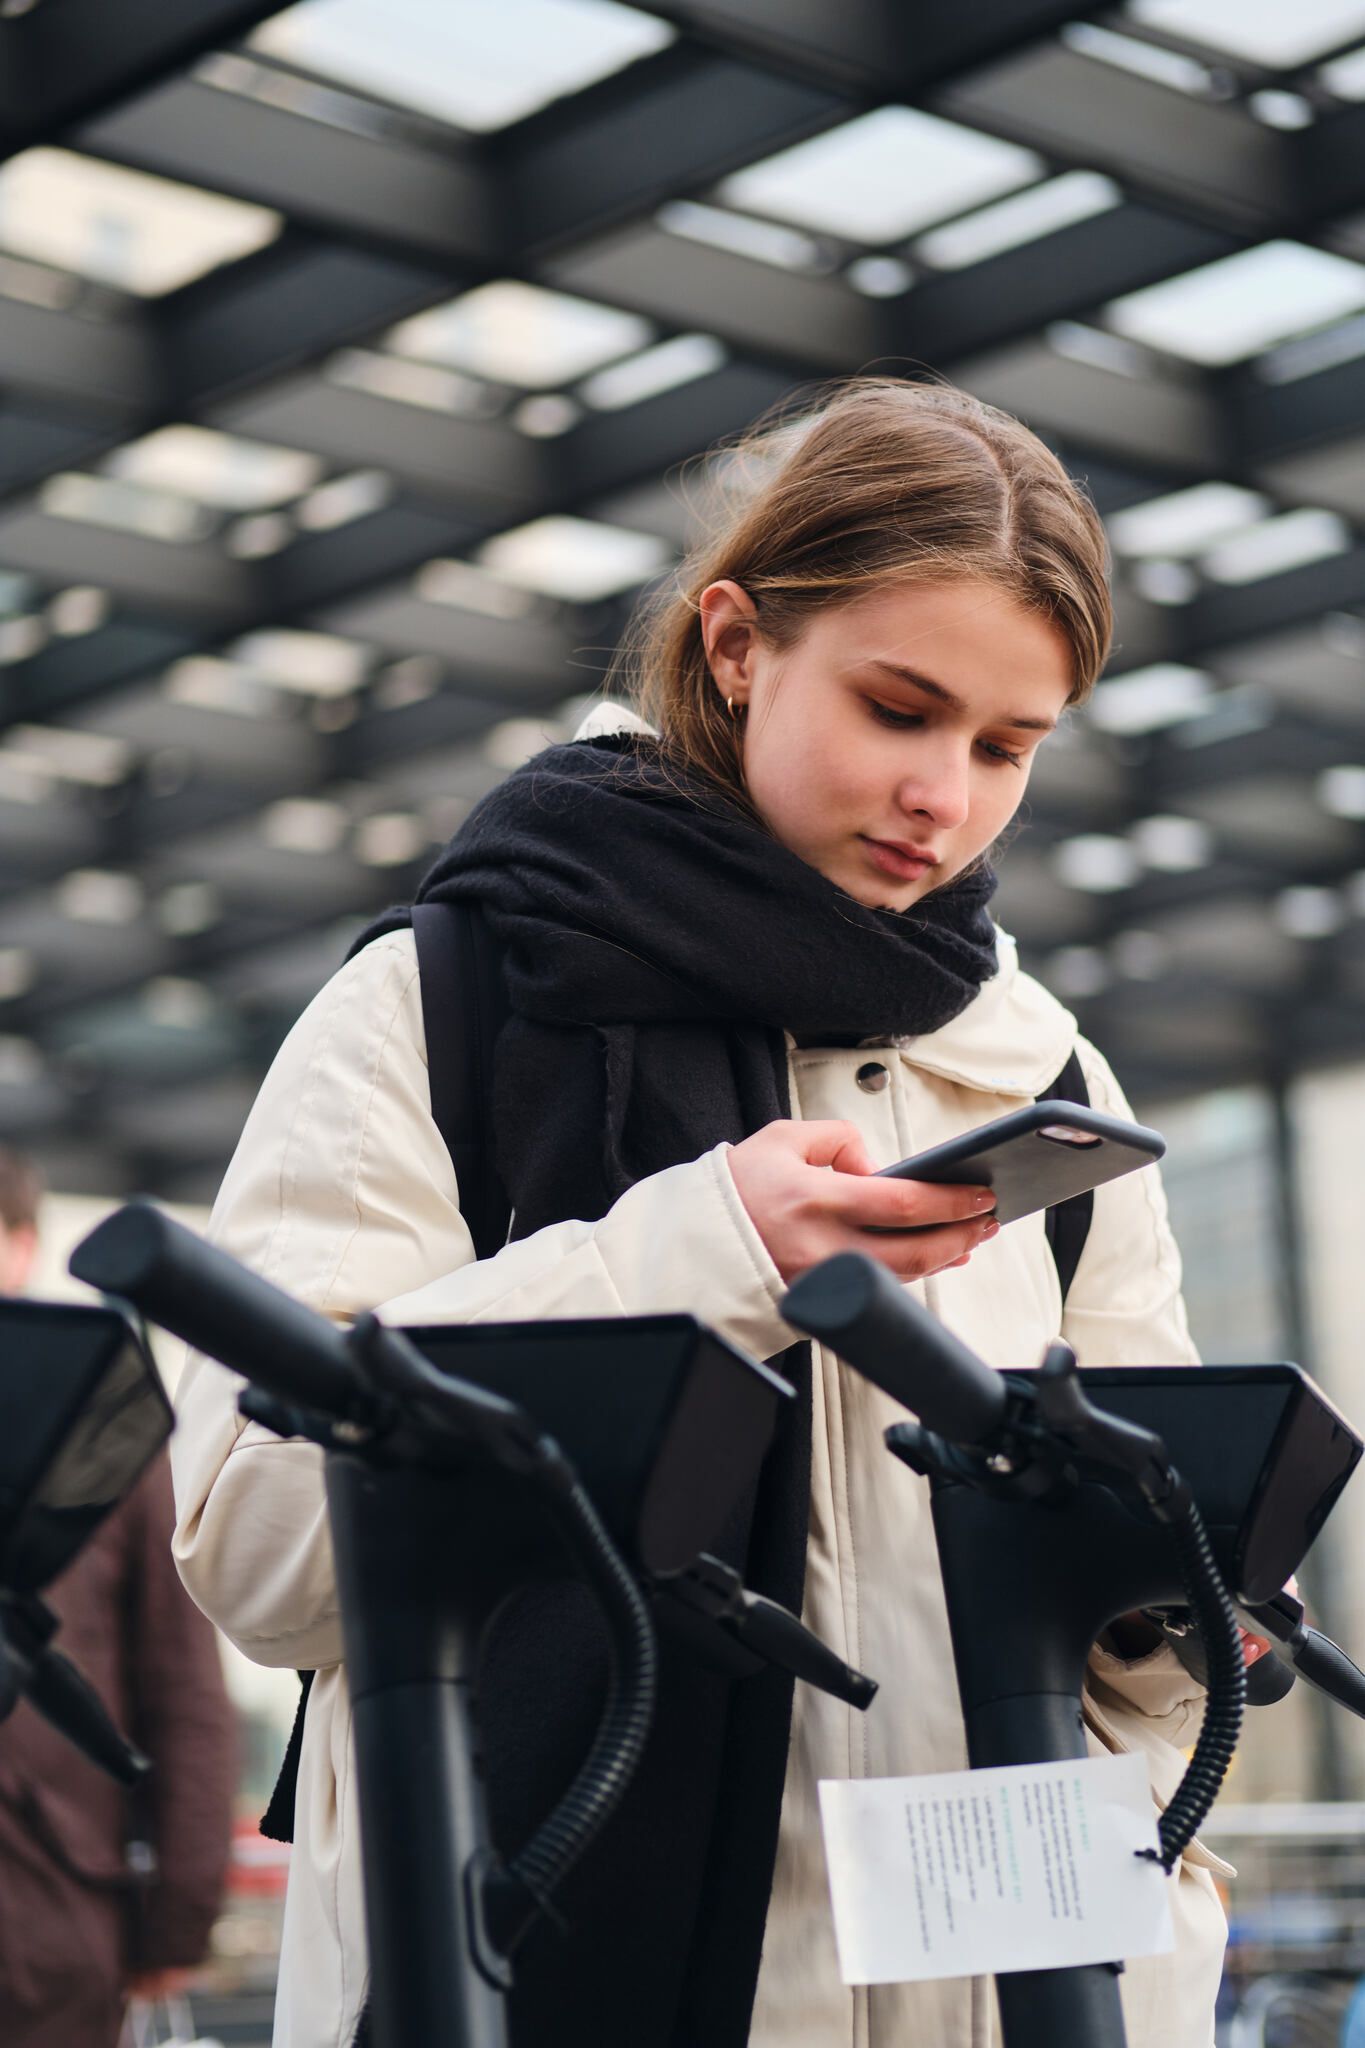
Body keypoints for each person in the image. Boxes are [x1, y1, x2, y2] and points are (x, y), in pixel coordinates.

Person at [170, 378, 1230, 2048]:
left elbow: (1133, 1644)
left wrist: (1193, 1605)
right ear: (736, 644)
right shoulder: (445, 1006)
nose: (946, 795)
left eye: (1007, 745)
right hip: (552, 1979)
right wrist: (700, 1254)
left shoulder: (1047, 1071)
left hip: (1025, 1991)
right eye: (901, 707)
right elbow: (259, 1541)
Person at [0, 1147, 237, 2048]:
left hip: (52, 1914)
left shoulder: (106, 1419)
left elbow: (181, 1682)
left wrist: (180, 1913)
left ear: (22, 1246)